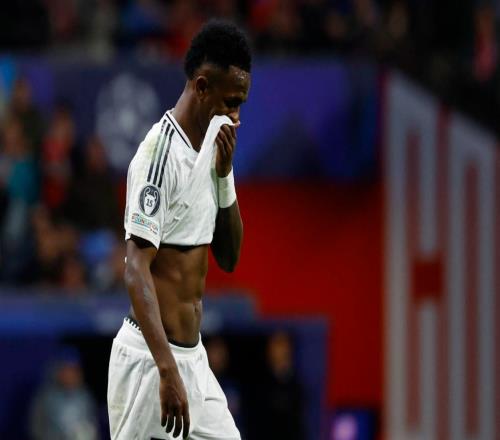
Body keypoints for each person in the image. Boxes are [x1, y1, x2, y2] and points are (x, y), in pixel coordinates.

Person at [107, 20, 251, 440]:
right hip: (151, 363)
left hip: (193, 360)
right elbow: (135, 268)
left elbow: (229, 257)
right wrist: (167, 371)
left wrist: (223, 176)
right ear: (202, 87)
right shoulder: (158, 155)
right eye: (231, 102)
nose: (237, 116)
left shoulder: (213, 146)